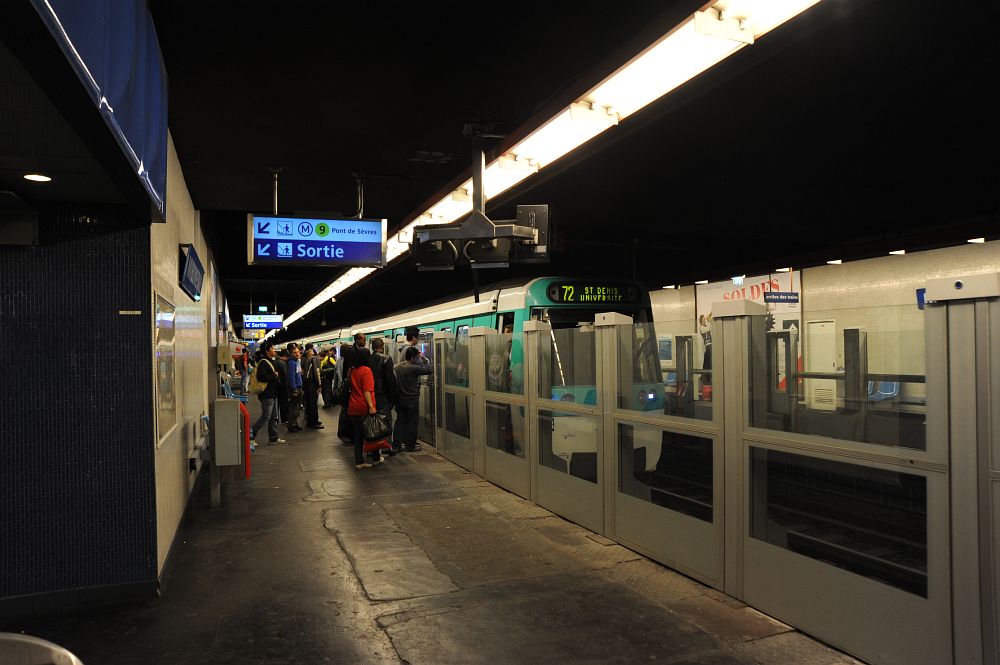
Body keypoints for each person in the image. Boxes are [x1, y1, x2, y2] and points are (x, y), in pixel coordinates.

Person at [393, 345, 433, 452]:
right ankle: (409, 445)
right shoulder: (413, 368)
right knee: (412, 422)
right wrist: (424, 359)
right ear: (412, 357)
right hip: (412, 399)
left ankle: (396, 445)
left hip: (400, 399)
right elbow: (429, 370)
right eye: (416, 357)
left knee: (400, 421)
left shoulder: (397, 367)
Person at [347, 347, 381, 468]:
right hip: (363, 406)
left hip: (353, 406)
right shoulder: (366, 370)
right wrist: (371, 406)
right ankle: (376, 458)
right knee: (371, 433)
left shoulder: (352, 370)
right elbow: (367, 390)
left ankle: (359, 461)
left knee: (358, 436)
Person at [249, 341, 286, 445]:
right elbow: (261, 377)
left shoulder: (270, 361)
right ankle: (250, 435)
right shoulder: (264, 362)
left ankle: (273, 438)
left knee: (274, 417)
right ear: (267, 351)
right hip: (267, 395)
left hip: (273, 394)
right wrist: (274, 376)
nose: (275, 350)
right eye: (272, 348)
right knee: (265, 417)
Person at [369, 338, 397, 453]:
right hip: (382, 394)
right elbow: (390, 379)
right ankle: (386, 446)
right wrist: (393, 397)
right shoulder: (386, 359)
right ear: (382, 346)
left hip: (370, 394)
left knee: (371, 421)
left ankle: (372, 447)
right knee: (386, 420)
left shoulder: (367, 359)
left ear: (372, 347)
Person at [337, 333, 367, 441]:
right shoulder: (352, 352)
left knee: (348, 410)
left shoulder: (355, 351)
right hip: (351, 385)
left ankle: (349, 433)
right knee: (347, 410)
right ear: (357, 340)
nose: (364, 342)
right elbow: (349, 369)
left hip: (353, 385)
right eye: (363, 340)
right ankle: (345, 433)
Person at [303, 343, 324, 429]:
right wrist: (319, 385)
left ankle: (310, 421)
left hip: (307, 384)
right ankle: (314, 422)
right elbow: (317, 372)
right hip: (312, 384)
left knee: (309, 404)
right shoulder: (315, 359)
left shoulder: (307, 360)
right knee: (313, 404)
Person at [287, 343, 304, 433]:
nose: (297, 354)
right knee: (294, 408)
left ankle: (295, 423)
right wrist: (294, 389)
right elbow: (291, 377)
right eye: (295, 352)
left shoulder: (297, 362)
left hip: (299, 387)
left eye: (298, 352)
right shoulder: (291, 363)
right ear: (291, 354)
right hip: (295, 389)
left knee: (297, 409)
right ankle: (291, 425)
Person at [275, 348, 290, 424]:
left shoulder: (274, 361)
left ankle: (276, 419)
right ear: (284, 356)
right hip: (283, 386)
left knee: (276, 403)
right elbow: (285, 375)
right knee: (283, 403)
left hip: (275, 385)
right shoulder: (283, 363)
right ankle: (284, 419)